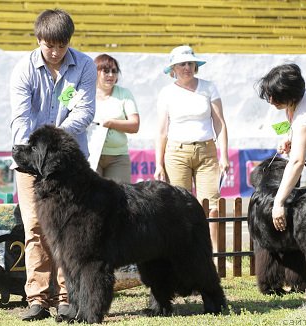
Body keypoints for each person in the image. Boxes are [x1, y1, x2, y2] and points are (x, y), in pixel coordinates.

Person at [9, 9, 97, 321]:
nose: (56, 52)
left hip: (71, 164)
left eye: (62, 45)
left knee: (72, 229)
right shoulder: (23, 69)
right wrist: (36, 155)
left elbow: (85, 112)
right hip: (31, 164)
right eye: (50, 46)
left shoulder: (85, 64)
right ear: (39, 40)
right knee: (35, 226)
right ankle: (36, 298)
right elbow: (21, 119)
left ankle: (67, 297)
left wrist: (55, 144)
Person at [154, 45, 230, 251]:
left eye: (190, 63)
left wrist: (224, 155)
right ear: (173, 69)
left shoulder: (209, 87)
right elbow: (161, 131)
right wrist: (158, 164)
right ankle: (184, 255)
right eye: (181, 64)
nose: (187, 67)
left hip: (207, 151)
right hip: (176, 153)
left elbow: (220, 123)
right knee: (180, 206)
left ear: (196, 65)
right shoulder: (166, 92)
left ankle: (213, 255)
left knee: (211, 206)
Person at [256, 63, 306, 231]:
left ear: (290, 94)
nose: (270, 100)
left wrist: (278, 202)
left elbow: (297, 161)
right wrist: (289, 136)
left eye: (274, 96)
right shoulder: (301, 97)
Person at [93, 54, 140, 183]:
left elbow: (135, 125)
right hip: (90, 156)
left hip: (118, 157)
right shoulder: (85, 92)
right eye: (106, 71)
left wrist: (111, 123)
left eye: (114, 71)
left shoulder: (124, 93)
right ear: (95, 72)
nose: (111, 75)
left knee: (120, 199)